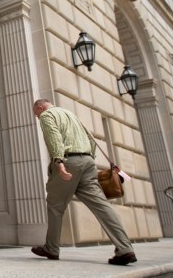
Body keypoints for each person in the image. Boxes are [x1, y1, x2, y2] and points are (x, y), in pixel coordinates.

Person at [30, 98, 137, 266]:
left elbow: (54, 136)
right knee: (102, 205)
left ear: (40, 108)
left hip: (69, 162)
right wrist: (88, 160)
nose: (37, 117)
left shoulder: (47, 115)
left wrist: (58, 161)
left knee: (55, 206)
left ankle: (51, 248)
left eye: (36, 113)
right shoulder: (71, 114)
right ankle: (125, 248)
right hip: (88, 162)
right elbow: (90, 138)